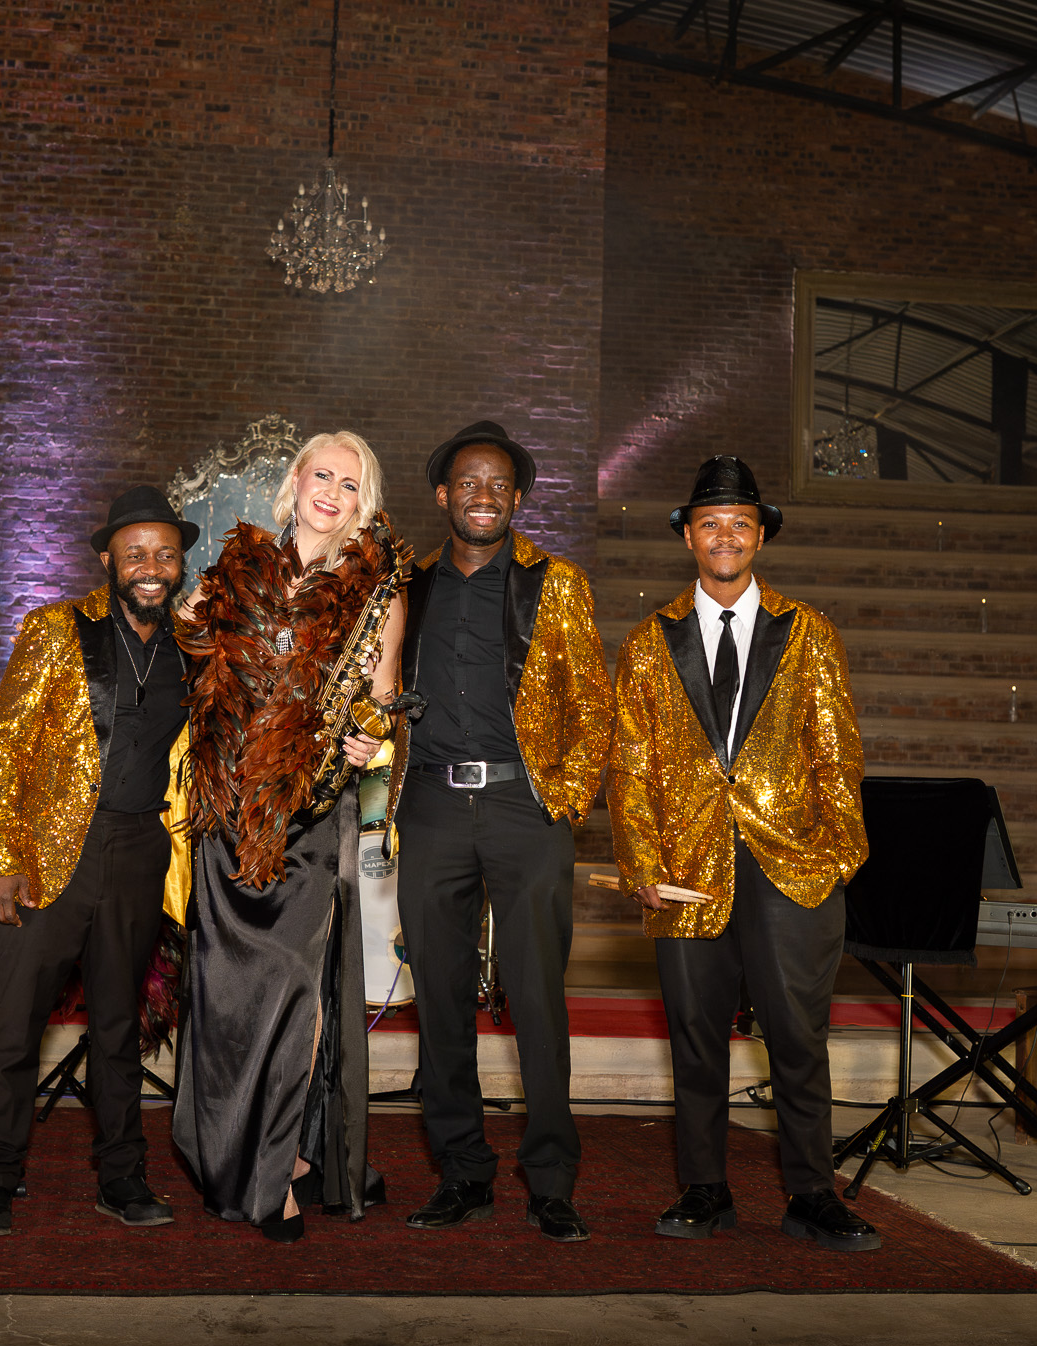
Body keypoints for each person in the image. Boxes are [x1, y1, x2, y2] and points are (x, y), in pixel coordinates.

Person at [608, 455, 878, 1251]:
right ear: (689, 537)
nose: (725, 536)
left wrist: (838, 858)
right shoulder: (652, 640)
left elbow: (839, 753)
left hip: (790, 866)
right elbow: (629, 762)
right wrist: (642, 864)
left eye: (740, 524)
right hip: (686, 871)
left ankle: (811, 1193)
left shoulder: (808, 632)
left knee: (797, 1039)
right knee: (694, 1039)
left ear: (758, 537)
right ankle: (704, 1188)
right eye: (710, 523)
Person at [171, 430, 409, 1243]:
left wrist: (371, 740)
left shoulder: (378, 595)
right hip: (226, 817)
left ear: (361, 504)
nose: (333, 492)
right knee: (222, 995)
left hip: (308, 822)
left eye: (351, 483)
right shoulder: (236, 569)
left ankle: (275, 1173)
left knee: (289, 995)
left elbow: (382, 703)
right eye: (323, 474)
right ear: (295, 481)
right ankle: (233, 1155)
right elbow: (188, 650)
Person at [388, 421, 613, 1243]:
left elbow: (594, 704)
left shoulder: (554, 584)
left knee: (538, 1000)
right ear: (443, 494)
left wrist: (566, 802)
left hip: (526, 808)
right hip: (434, 806)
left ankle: (551, 1178)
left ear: (516, 499)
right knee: (440, 999)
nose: (483, 496)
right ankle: (463, 1173)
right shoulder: (405, 587)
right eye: (467, 483)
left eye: (499, 485)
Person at [0, 485, 200, 1236]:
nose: (152, 567)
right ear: (109, 559)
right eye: (137, 554)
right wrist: (0, 856)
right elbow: (4, 750)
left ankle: (122, 1177)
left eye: (166, 554)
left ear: (180, 561)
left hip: (138, 850)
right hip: (50, 850)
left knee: (119, 1027)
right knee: (14, 1025)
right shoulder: (56, 629)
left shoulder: (193, 651)